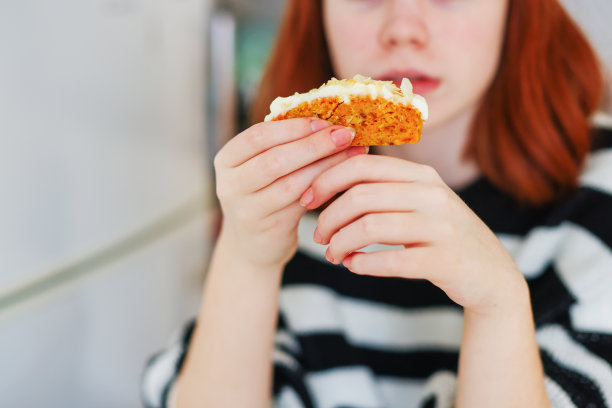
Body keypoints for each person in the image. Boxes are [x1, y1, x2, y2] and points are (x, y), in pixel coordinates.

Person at [141, 0, 612, 407]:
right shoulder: (284, 205)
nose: (403, 28)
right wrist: (247, 259)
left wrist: (500, 306)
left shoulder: (599, 201)